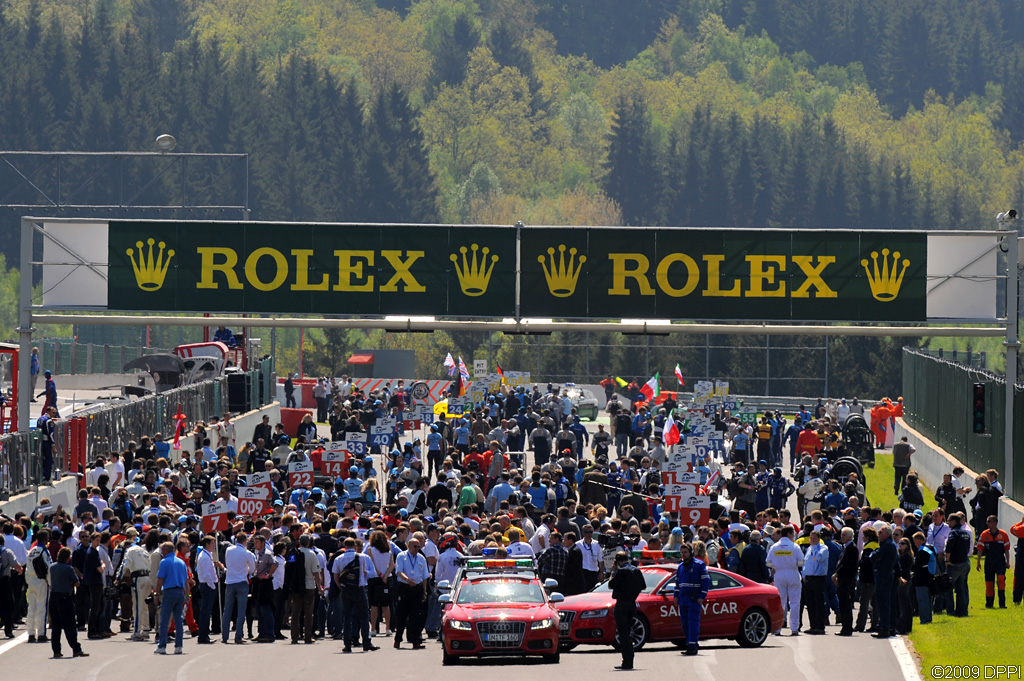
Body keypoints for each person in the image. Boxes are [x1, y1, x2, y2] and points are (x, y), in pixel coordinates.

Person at [332, 538, 380, 653]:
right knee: (364, 616)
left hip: (346, 590)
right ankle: (366, 642)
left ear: (344, 545)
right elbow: (373, 574)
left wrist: (342, 587)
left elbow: (336, 577)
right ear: (354, 545)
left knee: (347, 617)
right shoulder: (363, 557)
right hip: (359, 589)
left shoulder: (338, 558)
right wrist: (365, 573)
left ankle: (347, 644)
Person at [609, 551, 646, 670]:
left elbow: (611, 584)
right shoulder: (636, 570)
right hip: (632, 603)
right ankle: (629, 659)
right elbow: (643, 586)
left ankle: (627, 661)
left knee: (623, 634)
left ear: (618, 561)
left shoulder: (621, 571)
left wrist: (613, 571)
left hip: (622, 604)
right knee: (628, 632)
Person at [48, 547, 87, 658]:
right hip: (65, 597)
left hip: (54, 597)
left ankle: (56, 650)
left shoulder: (52, 567)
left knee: (56, 626)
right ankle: (76, 648)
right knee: (70, 625)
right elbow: (76, 582)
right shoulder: (68, 569)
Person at [153, 540, 191, 655]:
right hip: (180, 592)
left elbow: (160, 579)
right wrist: (187, 595)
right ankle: (179, 646)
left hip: (169, 592)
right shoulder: (181, 562)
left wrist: (156, 593)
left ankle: (162, 645)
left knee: (165, 619)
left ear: (165, 550)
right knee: (178, 619)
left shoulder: (164, 562)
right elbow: (186, 581)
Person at [393, 537, 430, 649]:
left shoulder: (421, 558)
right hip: (405, 587)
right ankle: (398, 639)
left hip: (417, 588)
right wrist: (408, 580)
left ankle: (416, 640)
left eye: (419, 546)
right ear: (409, 546)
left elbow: (425, 577)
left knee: (416, 616)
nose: (417, 549)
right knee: (402, 615)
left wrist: (424, 592)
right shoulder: (402, 556)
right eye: (415, 546)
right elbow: (399, 572)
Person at [674, 543, 710, 656]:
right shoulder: (680, 567)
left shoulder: (699, 565)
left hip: (694, 599)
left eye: (685, 552)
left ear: (691, 552)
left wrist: (702, 597)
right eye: (682, 553)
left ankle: (692, 646)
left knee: (693, 623)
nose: (683, 555)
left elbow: (706, 581)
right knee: (685, 624)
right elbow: (677, 583)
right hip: (683, 599)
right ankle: (690, 643)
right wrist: (676, 595)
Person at [766, 525, 803, 636]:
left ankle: (778, 628)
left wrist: (776, 566)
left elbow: (768, 562)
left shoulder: (775, 547)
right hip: (792, 573)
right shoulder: (795, 547)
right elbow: (801, 562)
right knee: (795, 602)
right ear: (789, 534)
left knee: (780, 602)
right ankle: (794, 628)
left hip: (779, 574)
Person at [222, 531, 255, 644]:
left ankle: (225, 636)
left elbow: (227, 564)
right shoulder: (247, 553)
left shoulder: (228, 550)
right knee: (241, 611)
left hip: (230, 581)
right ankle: (238, 636)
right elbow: (252, 569)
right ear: (245, 541)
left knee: (227, 610)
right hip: (242, 582)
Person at [975, 515, 1011, 609]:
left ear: (995, 523)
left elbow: (1006, 549)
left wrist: (1008, 561)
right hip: (989, 562)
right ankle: (989, 604)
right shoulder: (984, 534)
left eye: (989, 521)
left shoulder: (1003, 534)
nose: (987, 523)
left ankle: (1002, 603)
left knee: (1001, 580)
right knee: (989, 583)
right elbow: (980, 549)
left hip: (1000, 561)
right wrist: (978, 562)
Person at [871, 523, 898, 638]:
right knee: (883, 602)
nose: (878, 534)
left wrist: (875, 555)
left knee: (883, 603)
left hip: (884, 575)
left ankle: (884, 628)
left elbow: (875, 555)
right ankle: (884, 625)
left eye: (881, 532)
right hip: (883, 574)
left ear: (887, 534)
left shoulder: (887, 545)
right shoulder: (886, 544)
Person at [25, 528, 52, 643]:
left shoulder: (32, 550)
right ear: (45, 539)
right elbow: (49, 568)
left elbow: (27, 568)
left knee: (31, 608)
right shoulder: (44, 551)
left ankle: (31, 633)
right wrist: (50, 583)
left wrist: (28, 581)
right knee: (42, 608)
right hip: (41, 582)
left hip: (31, 581)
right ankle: (41, 634)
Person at [944, 512, 973, 617]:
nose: (947, 523)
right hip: (965, 562)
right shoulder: (965, 532)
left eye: (949, 521)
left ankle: (950, 611)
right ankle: (962, 611)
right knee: (962, 588)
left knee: (948, 587)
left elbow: (949, 546)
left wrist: (947, 561)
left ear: (954, 521)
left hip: (955, 564)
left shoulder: (954, 532)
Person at [802, 530, 829, 635]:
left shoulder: (823, 548)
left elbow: (819, 558)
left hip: (818, 578)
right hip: (809, 578)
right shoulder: (809, 549)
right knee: (810, 603)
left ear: (819, 539)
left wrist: (814, 548)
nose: (812, 540)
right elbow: (806, 562)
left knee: (819, 602)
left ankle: (820, 626)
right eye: (811, 538)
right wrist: (804, 575)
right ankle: (812, 625)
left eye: (814, 538)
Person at [832, 527, 858, 636]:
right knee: (842, 603)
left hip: (847, 580)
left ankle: (847, 628)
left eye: (844, 535)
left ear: (850, 536)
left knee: (846, 604)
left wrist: (837, 574)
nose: (842, 537)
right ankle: (845, 627)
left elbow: (847, 565)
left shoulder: (852, 548)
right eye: (842, 535)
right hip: (842, 579)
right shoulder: (845, 547)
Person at [911, 532, 934, 624]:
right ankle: (928, 617)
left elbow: (917, 566)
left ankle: (924, 619)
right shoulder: (930, 548)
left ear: (919, 540)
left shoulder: (922, 551)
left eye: (915, 541)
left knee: (922, 599)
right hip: (929, 577)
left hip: (921, 579)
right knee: (927, 600)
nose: (914, 543)